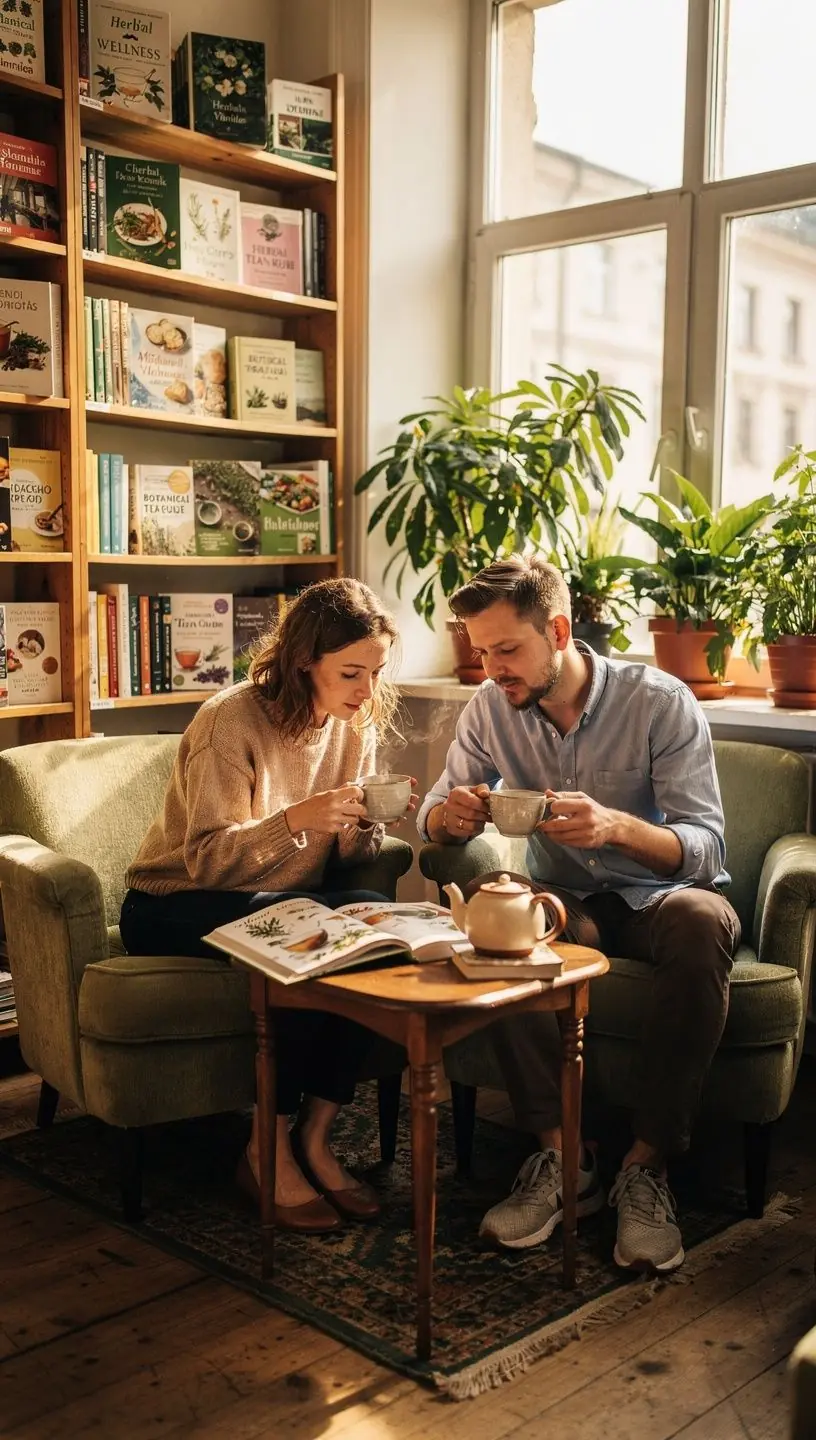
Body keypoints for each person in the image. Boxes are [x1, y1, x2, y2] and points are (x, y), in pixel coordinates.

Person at [417, 556, 739, 1274]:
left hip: (660, 900)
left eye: (508, 650)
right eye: (481, 651)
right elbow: (429, 817)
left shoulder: (658, 702)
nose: (493, 668)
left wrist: (616, 828)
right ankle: (564, 1160)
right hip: (571, 905)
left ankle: (647, 1167)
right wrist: (452, 816)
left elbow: (706, 845)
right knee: (508, 908)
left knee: (704, 921)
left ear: (557, 631)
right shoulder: (490, 707)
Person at [121, 578, 415, 1235]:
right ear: (305, 659)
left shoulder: (350, 724)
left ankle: (315, 1134)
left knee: (377, 924)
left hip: (278, 899)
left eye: (375, 673)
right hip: (173, 903)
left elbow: (335, 858)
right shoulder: (231, 721)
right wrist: (298, 819)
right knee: (303, 938)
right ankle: (265, 1148)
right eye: (351, 673)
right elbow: (208, 861)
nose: (366, 691)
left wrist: (364, 825)